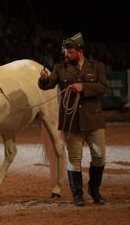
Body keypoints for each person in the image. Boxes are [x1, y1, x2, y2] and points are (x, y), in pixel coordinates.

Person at [38, 32, 108, 206]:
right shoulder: (60, 68)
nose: (66, 55)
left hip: (93, 121)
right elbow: (48, 84)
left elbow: (103, 87)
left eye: (69, 52)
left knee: (99, 156)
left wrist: (83, 87)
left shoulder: (96, 67)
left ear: (79, 51)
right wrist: (44, 79)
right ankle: (77, 194)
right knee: (74, 159)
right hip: (71, 122)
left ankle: (94, 189)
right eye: (64, 52)